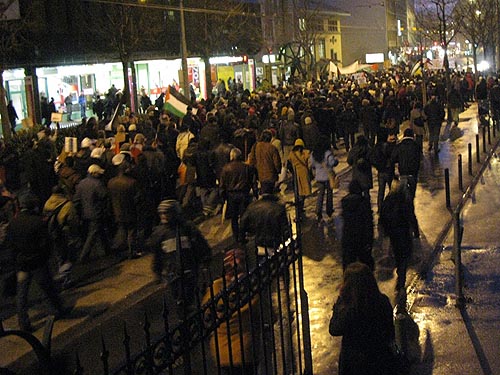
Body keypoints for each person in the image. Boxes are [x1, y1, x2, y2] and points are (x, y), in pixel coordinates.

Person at [6, 192, 69, 331]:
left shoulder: (13, 223)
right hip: (37, 262)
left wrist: (15, 261)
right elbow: (45, 243)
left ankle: (24, 323)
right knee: (48, 288)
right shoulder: (37, 222)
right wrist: (44, 257)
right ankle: (58, 310)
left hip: (22, 264)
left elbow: (10, 245)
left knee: (22, 294)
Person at [329, 262, 396, 375]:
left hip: (355, 365)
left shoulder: (350, 311)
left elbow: (334, 329)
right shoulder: (382, 301)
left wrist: (339, 306)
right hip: (380, 361)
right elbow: (390, 332)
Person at [203, 249, 260, 375]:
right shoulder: (248, 288)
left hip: (222, 353)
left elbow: (207, 313)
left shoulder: (215, 287)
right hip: (244, 351)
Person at [147, 199, 211, 311]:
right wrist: (157, 272)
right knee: (179, 300)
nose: (164, 216)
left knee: (190, 298)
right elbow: (158, 255)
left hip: (189, 270)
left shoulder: (187, 228)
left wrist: (205, 259)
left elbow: (200, 245)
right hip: (172, 274)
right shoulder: (160, 233)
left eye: (167, 212)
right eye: (161, 213)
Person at [379, 179, 414, 303]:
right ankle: (401, 281)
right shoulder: (404, 201)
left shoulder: (388, 200)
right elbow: (410, 215)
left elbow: (382, 216)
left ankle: (400, 278)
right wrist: (415, 231)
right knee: (403, 257)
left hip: (393, 234)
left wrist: (385, 231)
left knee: (398, 254)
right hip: (403, 234)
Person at [239, 183, 290, 263]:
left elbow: (242, 224)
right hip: (274, 242)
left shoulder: (252, 207)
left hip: (259, 242)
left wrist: (243, 239)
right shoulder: (278, 208)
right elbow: (285, 229)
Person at [73, 164, 111, 261]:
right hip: (96, 212)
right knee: (93, 234)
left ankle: (107, 249)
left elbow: (76, 199)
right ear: (94, 173)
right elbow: (104, 195)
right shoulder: (97, 184)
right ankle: (84, 256)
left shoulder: (81, 183)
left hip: (85, 213)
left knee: (99, 231)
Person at [107, 155, 141, 259]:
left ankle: (117, 249)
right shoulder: (132, 182)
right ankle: (132, 251)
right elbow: (137, 198)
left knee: (121, 231)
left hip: (117, 210)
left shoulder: (111, 182)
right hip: (130, 210)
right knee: (131, 232)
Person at [219, 148, 255, 244]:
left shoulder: (226, 168)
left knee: (234, 217)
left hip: (231, 195)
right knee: (243, 216)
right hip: (243, 193)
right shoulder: (246, 167)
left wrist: (223, 197)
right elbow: (251, 181)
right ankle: (242, 236)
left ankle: (236, 236)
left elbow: (222, 185)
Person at [391, 128, 420, 237]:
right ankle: (414, 228)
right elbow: (419, 160)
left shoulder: (399, 146)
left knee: (404, 201)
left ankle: (407, 225)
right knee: (410, 200)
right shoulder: (416, 146)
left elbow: (393, 159)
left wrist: (394, 174)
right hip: (412, 176)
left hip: (403, 176)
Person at [341, 180, 374, 271]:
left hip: (348, 237)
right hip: (361, 237)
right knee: (366, 264)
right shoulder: (364, 203)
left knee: (349, 264)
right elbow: (368, 223)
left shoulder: (345, 202)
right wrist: (370, 240)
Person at [310, 136, 339, 223]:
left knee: (320, 194)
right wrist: (336, 160)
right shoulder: (327, 153)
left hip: (319, 177)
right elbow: (332, 162)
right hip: (328, 176)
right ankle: (329, 211)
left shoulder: (314, 154)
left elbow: (312, 164)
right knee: (329, 195)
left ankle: (318, 212)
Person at [248, 129, 281, 196]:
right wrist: (278, 171)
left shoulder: (256, 146)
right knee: (270, 193)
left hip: (260, 174)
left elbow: (252, 160)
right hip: (271, 175)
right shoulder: (272, 148)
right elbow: (277, 163)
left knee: (264, 191)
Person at [287, 138, 311, 217]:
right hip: (304, 174)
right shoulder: (306, 153)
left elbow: (288, 165)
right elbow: (310, 164)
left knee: (297, 191)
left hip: (296, 174)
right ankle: (301, 206)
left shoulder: (291, 154)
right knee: (304, 191)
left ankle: (299, 207)